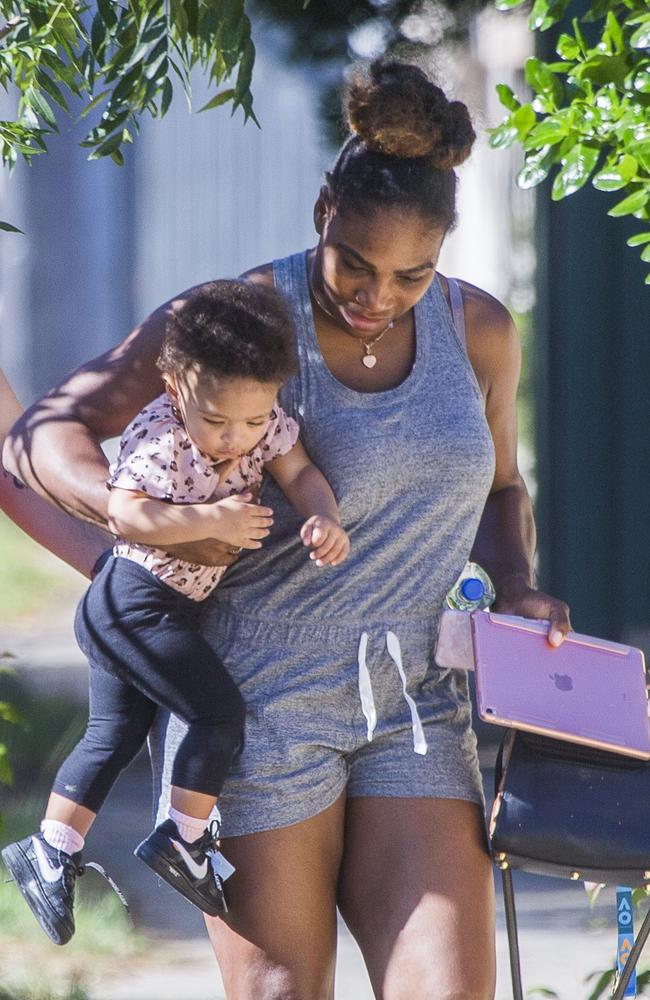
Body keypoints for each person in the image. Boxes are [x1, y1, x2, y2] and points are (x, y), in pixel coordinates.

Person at [4, 60, 571, 999]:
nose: (377, 296)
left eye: (411, 274)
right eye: (356, 263)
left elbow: (501, 488)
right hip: (253, 709)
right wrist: (141, 523)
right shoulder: (235, 322)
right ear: (322, 214)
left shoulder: (479, 330)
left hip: (416, 705)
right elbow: (45, 432)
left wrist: (515, 583)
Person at [2, 280, 350, 946]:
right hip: (132, 601)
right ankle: (183, 838)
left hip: (154, 608)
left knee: (114, 736)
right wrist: (208, 518)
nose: (234, 438)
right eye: (218, 421)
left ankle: (49, 850)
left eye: (252, 422)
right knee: (217, 712)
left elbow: (299, 469)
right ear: (175, 388)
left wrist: (324, 516)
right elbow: (125, 513)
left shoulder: (261, 422)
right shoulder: (160, 436)